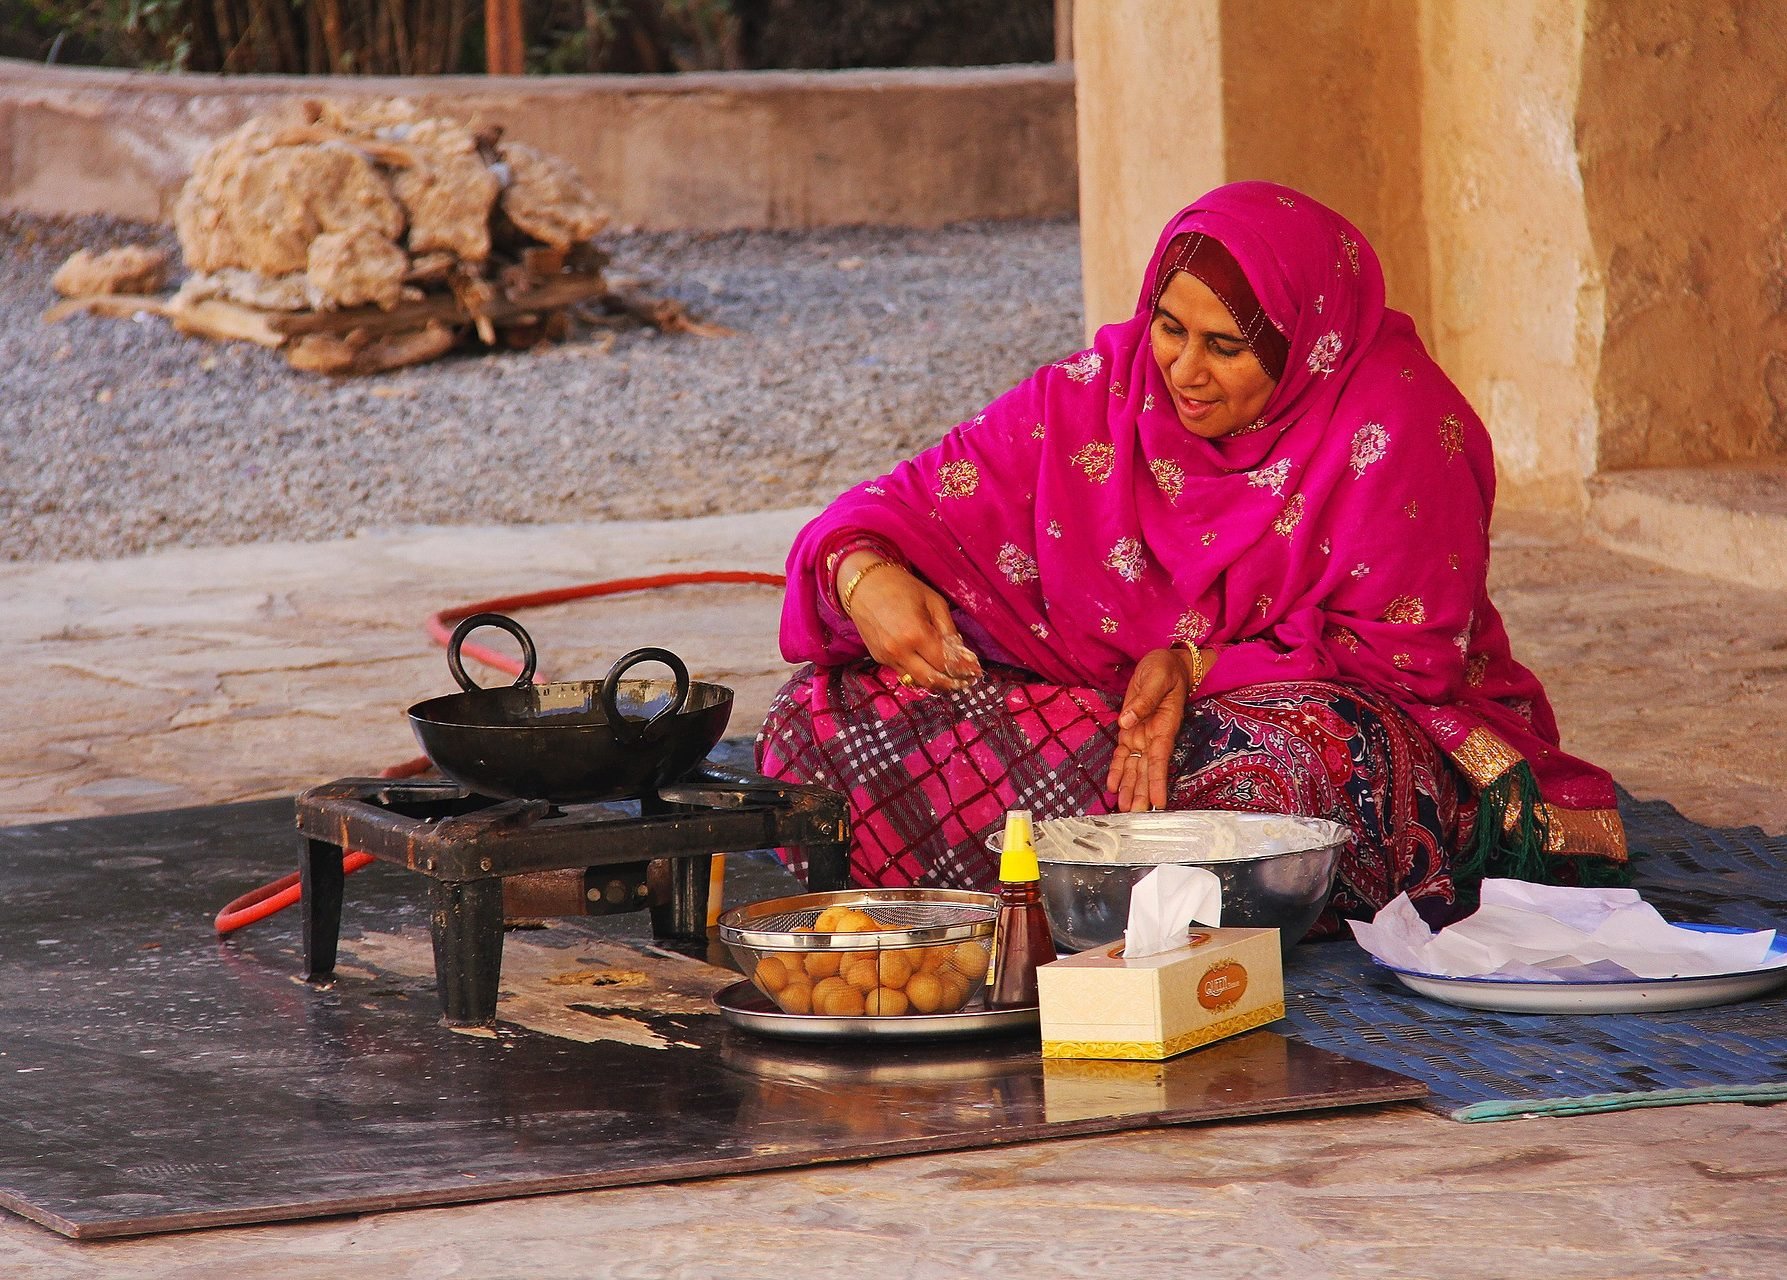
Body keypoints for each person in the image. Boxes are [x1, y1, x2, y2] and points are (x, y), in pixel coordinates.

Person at [756, 181, 1627, 937]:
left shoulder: (1398, 427)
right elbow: (894, 505)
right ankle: (1108, 890)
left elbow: (1405, 656)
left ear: (1304, 343)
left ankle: (1052, 881)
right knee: (815, 719)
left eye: (1226, 347)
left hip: (1281, 720)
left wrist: (1197, 666)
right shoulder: (1100, 391)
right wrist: (863, 576)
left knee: (1280, 776)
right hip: (1092, 713)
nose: (1183, 371)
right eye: (1169, 328)